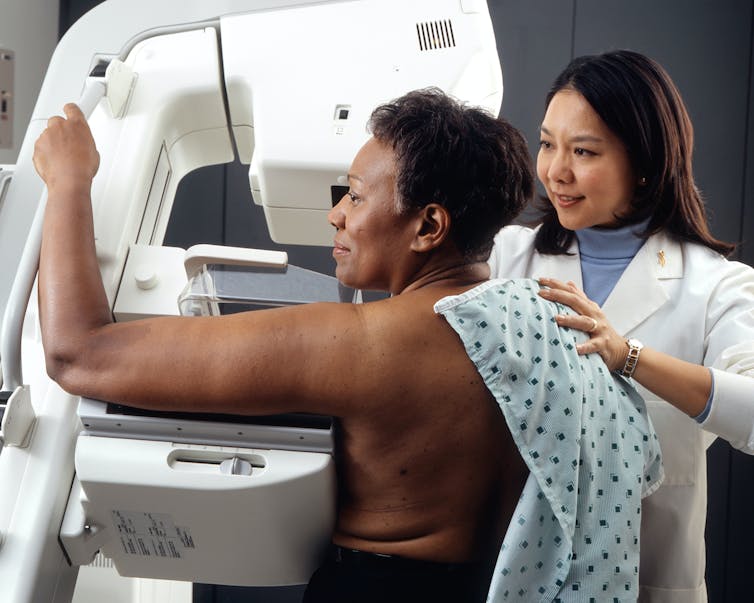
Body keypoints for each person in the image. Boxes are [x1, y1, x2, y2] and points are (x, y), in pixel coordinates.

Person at [33, 87, 661, 602]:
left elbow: (77, 352)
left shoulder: (365, 345)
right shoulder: (552, 325)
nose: (335, 215)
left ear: (429, 226)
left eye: (356, 196)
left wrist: (68, 183)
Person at [488, 49, 754, 602]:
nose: (556, 171)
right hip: (519, 577)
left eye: (583, 151)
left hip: (652, 584)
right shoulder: (504, 259)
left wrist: (630, 356)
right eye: (547, 144)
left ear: (646, 164)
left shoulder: (715, 286)